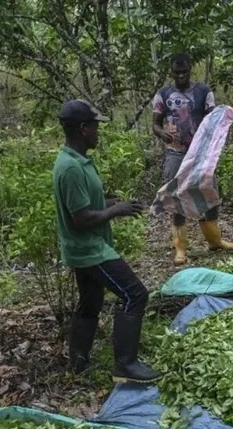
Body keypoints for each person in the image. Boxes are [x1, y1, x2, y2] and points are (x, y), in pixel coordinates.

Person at [54, 99, 160, 383]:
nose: (98, 132)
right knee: (135, 294)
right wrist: (116, 211)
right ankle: (125, 365)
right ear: (83, 129)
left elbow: (86, 203)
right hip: (89, 249)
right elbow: (82, 218)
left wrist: (115, 203)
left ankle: (77, 366)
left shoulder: (77, 161)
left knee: (90, 302)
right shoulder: (71, 168)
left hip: (86, 247)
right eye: (95, 127)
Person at [152, 53, 233, 265]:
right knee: (177, 195)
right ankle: (180, 247)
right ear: (172, 72)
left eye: (184, 71)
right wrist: (162, 133)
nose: (181, 75)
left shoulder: (204, 92)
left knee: (208, 191)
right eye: (177, 72)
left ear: (191, 69)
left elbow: (213, 119)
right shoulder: (163, 95)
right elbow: (155, 123)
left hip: (201, 154)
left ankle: (214, 240)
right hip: (175, 153)